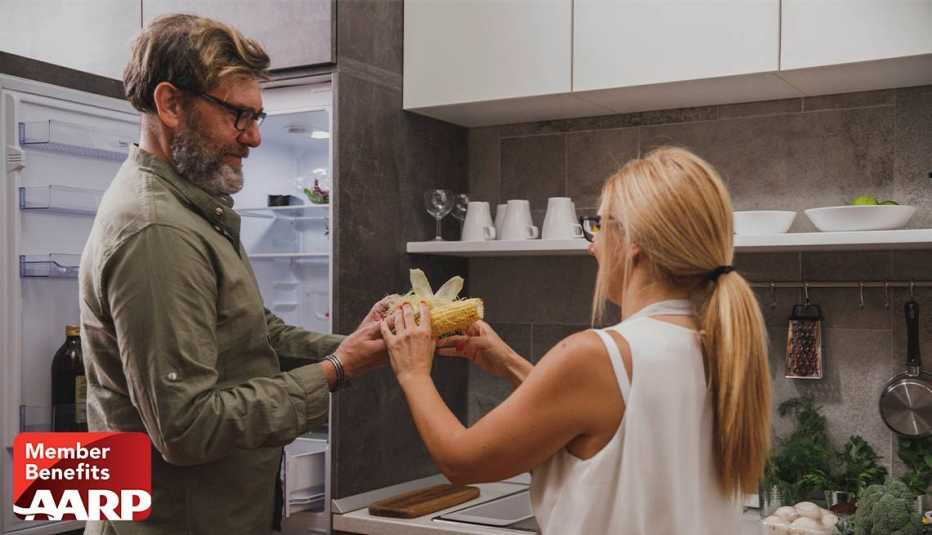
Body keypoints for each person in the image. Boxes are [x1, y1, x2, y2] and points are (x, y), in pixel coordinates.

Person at [79, 14, 389, 535]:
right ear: (170, 104)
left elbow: (254, 334)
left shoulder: (196, 208)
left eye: (258, 118)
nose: (253, 139)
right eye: (238, 116)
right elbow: (188, 427)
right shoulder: (158, 231)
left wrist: (359, 344)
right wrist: (336, 370)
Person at [382, 146, 772, 534]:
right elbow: (602, 421)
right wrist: (511, 364)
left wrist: (414, 371)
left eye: (599, 226)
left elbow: (462, 462)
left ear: (633, 240)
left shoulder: (596, 355)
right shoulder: (717, 344)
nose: (591, 245)